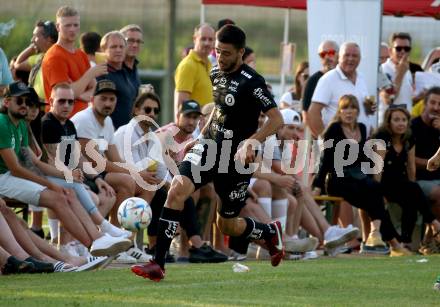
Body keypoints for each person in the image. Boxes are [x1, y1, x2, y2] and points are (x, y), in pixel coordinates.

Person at [131, 24, 284, 281]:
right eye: (217, 51)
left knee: (227, 224)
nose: (220, 58)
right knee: (178, 188)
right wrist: (199, 137)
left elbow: (277, 119)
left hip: (234, 159)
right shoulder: (215, 72)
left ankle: (268, 233)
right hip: (209, 147)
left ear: (240, 52)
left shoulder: (253, 82)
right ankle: (158, 264)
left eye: (225, 53)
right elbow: (218, 109)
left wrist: (252, 142)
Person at [0, 81, 132, 257]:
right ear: (7, 102)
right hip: (6, 177)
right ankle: (82, 244)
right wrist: (58, 181)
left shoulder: (23, 125)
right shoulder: (8, 123)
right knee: (63, 193)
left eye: (30, 103)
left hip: (18, 175)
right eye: (21, 102)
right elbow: (18, 168)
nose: (27, 107)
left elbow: (37, 163)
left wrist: (84, 176)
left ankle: (95, 241)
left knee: (69, 191)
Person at [312, 94, 411, 256]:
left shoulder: (362, 128)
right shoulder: (334, 129)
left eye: (353, 108)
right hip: (337, 179)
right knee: (374, 195)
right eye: (345, 108)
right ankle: (388, 241)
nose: (349, 112)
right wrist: (317, 185)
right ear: (340, 111)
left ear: (358, 111)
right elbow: (325, 160)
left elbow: (362, 158)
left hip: (356, 177)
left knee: (375, 191)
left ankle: (380, 238)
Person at [373, 105, 440, 253]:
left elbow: (411, 168)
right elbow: (377, 169)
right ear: (388, 122)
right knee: (412, 190)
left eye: (404, 120)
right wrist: (377, 193)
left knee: (412, 193)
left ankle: (406, 242)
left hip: (398, 183)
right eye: (396, 120)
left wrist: (413, 187)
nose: (401, 123)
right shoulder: (381, 138)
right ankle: (434, 223)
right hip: (379, 182)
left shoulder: (408, 138)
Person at [42, 6, 107, 115]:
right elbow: (65, 95)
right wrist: (90, 74)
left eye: (75, 25)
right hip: (60, 122)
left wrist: (78, 94)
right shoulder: (54, 56)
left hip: (81, 120)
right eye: (67, 25)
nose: (72, 29)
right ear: (58, 27)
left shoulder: (80, 54)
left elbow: (94, 89)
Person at [308, 42, 372, 138]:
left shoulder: (361, 78)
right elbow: (313, 113)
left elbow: (363, 110)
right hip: (337, 147)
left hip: (361, 145)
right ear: (339, 57)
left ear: (359, 59)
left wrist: (369, 109)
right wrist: (324, 142)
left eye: (354, 56)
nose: (350, 59)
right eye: (346, 55)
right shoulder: (328, 79)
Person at [174, 23, 215, 120]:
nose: (207, 43)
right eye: (203, 39)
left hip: (205, 127)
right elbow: (182, 106)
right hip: (192, 128)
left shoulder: (210, 65)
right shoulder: (187, 65)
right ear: (194, 39)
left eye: (210, 39)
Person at [98, 31, 138, 130]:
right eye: (113, 47)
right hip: (109, 134)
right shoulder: (101, 73)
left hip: (128, 133)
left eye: (121, 47)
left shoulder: (126, 72)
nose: (118, 50)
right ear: (103, 50)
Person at [411, 87, 440, 219]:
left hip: (437, 178)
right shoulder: (412, 126)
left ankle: (430, 236)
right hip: (419, 179)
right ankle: (435, 233)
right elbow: (408, 158)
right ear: (425, 104)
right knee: (438, 193)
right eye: (432, 103)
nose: (436, 108)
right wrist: (430, 163)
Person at [13, 20, 58, 102]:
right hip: (36, 109)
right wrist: (32, 48)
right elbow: (17, 64)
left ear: (48, 39)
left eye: (35, 36)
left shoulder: (59, 59)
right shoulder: (39, 58)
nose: (32, 40)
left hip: (49, 109)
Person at [302, 40, 338, 123]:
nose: (327, 57)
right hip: (323, 133)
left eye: (331, 52)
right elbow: (306, 115)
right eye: (323, 54)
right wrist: (321, 135)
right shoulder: (313, 81)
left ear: (339, 54)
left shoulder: (347, 78)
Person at [381, 32, 414, 113]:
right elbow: (388, 99)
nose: (403, 52)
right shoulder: (382, 69)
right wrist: (400, 74)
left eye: (406, 49)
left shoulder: (407, 70)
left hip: (405, 122)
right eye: (398, 48)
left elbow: (404, 99)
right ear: (390, 51)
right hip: (388, 123)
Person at [120, 24, 143, 91]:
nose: (135, 45)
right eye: (130, 40)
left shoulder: (134, 67)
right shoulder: (113, 68)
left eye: (138, 41)